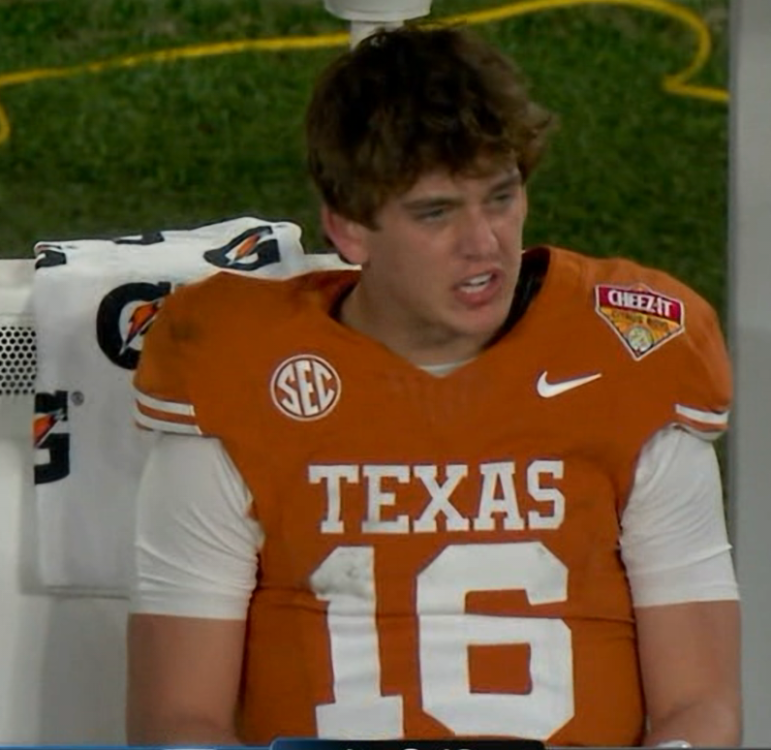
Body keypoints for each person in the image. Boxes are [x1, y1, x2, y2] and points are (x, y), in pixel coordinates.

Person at [125, 23, 741, 748]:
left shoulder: (626, 357)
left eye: (500, 198)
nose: (483, 243)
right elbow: (178, 718)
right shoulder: (241, 374)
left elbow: (699, 704)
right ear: (349, 230)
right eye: (437, 212)